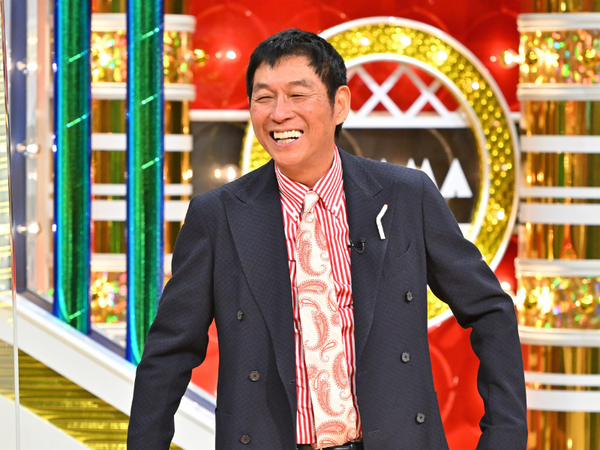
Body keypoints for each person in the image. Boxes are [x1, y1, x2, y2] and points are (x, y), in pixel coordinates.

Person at [128, 29, 527, 450]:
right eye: (264, 97)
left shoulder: (406, 196)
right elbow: (169, 354)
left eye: (297, 95)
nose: (279, 113)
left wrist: (503, 439)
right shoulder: (217, 215)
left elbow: (491, 310)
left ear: (340, 104)